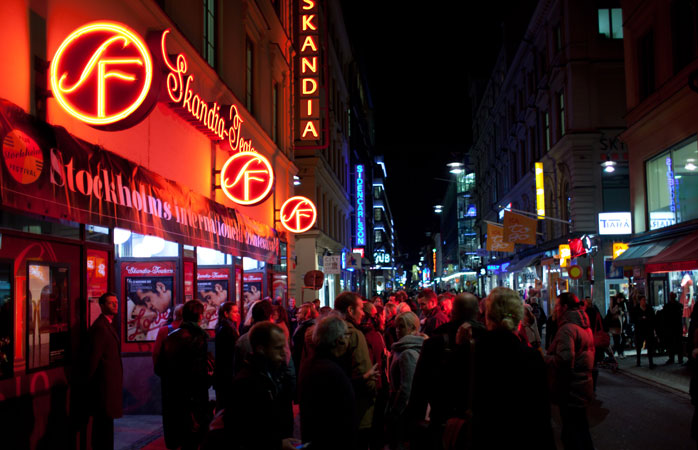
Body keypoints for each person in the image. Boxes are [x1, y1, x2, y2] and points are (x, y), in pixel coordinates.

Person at [470, 287, 554, 449]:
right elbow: (541, 416)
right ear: (519, 319)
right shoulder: (531, 357)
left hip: (481, 437)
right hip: (521, 438)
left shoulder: (472, 352)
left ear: (487, 316)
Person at [408, 292, 485, 448]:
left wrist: (413, 424)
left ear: (452, 312)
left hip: (442, 418)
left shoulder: (435, 341)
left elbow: (420, 386)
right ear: (477, 313)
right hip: (481, 422)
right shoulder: (490, 340)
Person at [224, 322, 297, 450]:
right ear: (260, 348)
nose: (284, 353)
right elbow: (244, 433)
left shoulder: (271, 374)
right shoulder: (247, 382)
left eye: (284, 347)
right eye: (278, 348)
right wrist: (277, 444)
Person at [155, 300, 212, 450]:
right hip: (193, 394)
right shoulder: (198, 337)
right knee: (193, 437)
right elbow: (198, 372)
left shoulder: (171, 336)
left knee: (178, 431)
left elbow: (160, 366)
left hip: (173, 391)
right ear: (199, 316)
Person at [298, 314, 357, 450]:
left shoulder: (313, 364)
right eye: (347, 335)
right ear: (339, 340)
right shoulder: (331, 371)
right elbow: (343, 418)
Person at [545, 292, 595, 450]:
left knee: (571, 434)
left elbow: (564, 360)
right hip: (583, 386)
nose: (555, 309)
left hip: (570, 389)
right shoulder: (583, 325)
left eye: (558, 305)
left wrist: (544, 358)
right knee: (581, 430)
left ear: (565, 307)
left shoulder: (567, 329)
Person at [334, 291, 378, 449]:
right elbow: (363, 373)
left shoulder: (326, 333)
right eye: (360, 308)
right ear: (350, 310)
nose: (363, 313)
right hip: (358, 409)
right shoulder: (354, 335)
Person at [85, 292, 123, 450]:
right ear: (101, 306)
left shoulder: (108, 324)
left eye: (116, 302)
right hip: (103, 385)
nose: (115, 305)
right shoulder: (101, 327)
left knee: (106, 424)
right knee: (103, 424)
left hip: (108, 384)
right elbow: (94, 357)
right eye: (110, 303)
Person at [387, 311, 426, 450]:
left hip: (403, 411)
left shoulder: (407, 352)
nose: (397, 330)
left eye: (402, 327)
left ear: (413, 328)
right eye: (397, 326)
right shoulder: (402, 348)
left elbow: (406, 387)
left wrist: (396, 410)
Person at [215, 301, 240, 409]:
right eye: (234, 312)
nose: (237, 314)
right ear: (226, 313)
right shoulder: (226, 329)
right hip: (226, 373)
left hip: (224, 373)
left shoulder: (226, 326)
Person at [292, 302, 318, 376]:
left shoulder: (307, 327)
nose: (297, 315)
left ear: (307, 314)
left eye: (300, 313)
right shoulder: (303, 325)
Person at [632, 296, 657, 368]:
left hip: (648, 330)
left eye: (645, 300)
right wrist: (640, 319)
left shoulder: (649, 309)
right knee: (639, 345)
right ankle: (638, 361)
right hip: (639, 330)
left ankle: (651, 362)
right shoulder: (636, 309)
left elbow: (653, 318)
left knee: (650, 346)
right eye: (643, 300)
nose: (644, 302)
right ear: (640, 301)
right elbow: (633, 319)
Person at [663, 292, 684, 364]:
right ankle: (678, 359)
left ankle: (673, 358)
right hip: (675, 327)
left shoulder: (668, 306)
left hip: (672, 327)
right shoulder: (678, 305)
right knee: (676, 344)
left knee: (673, 344)